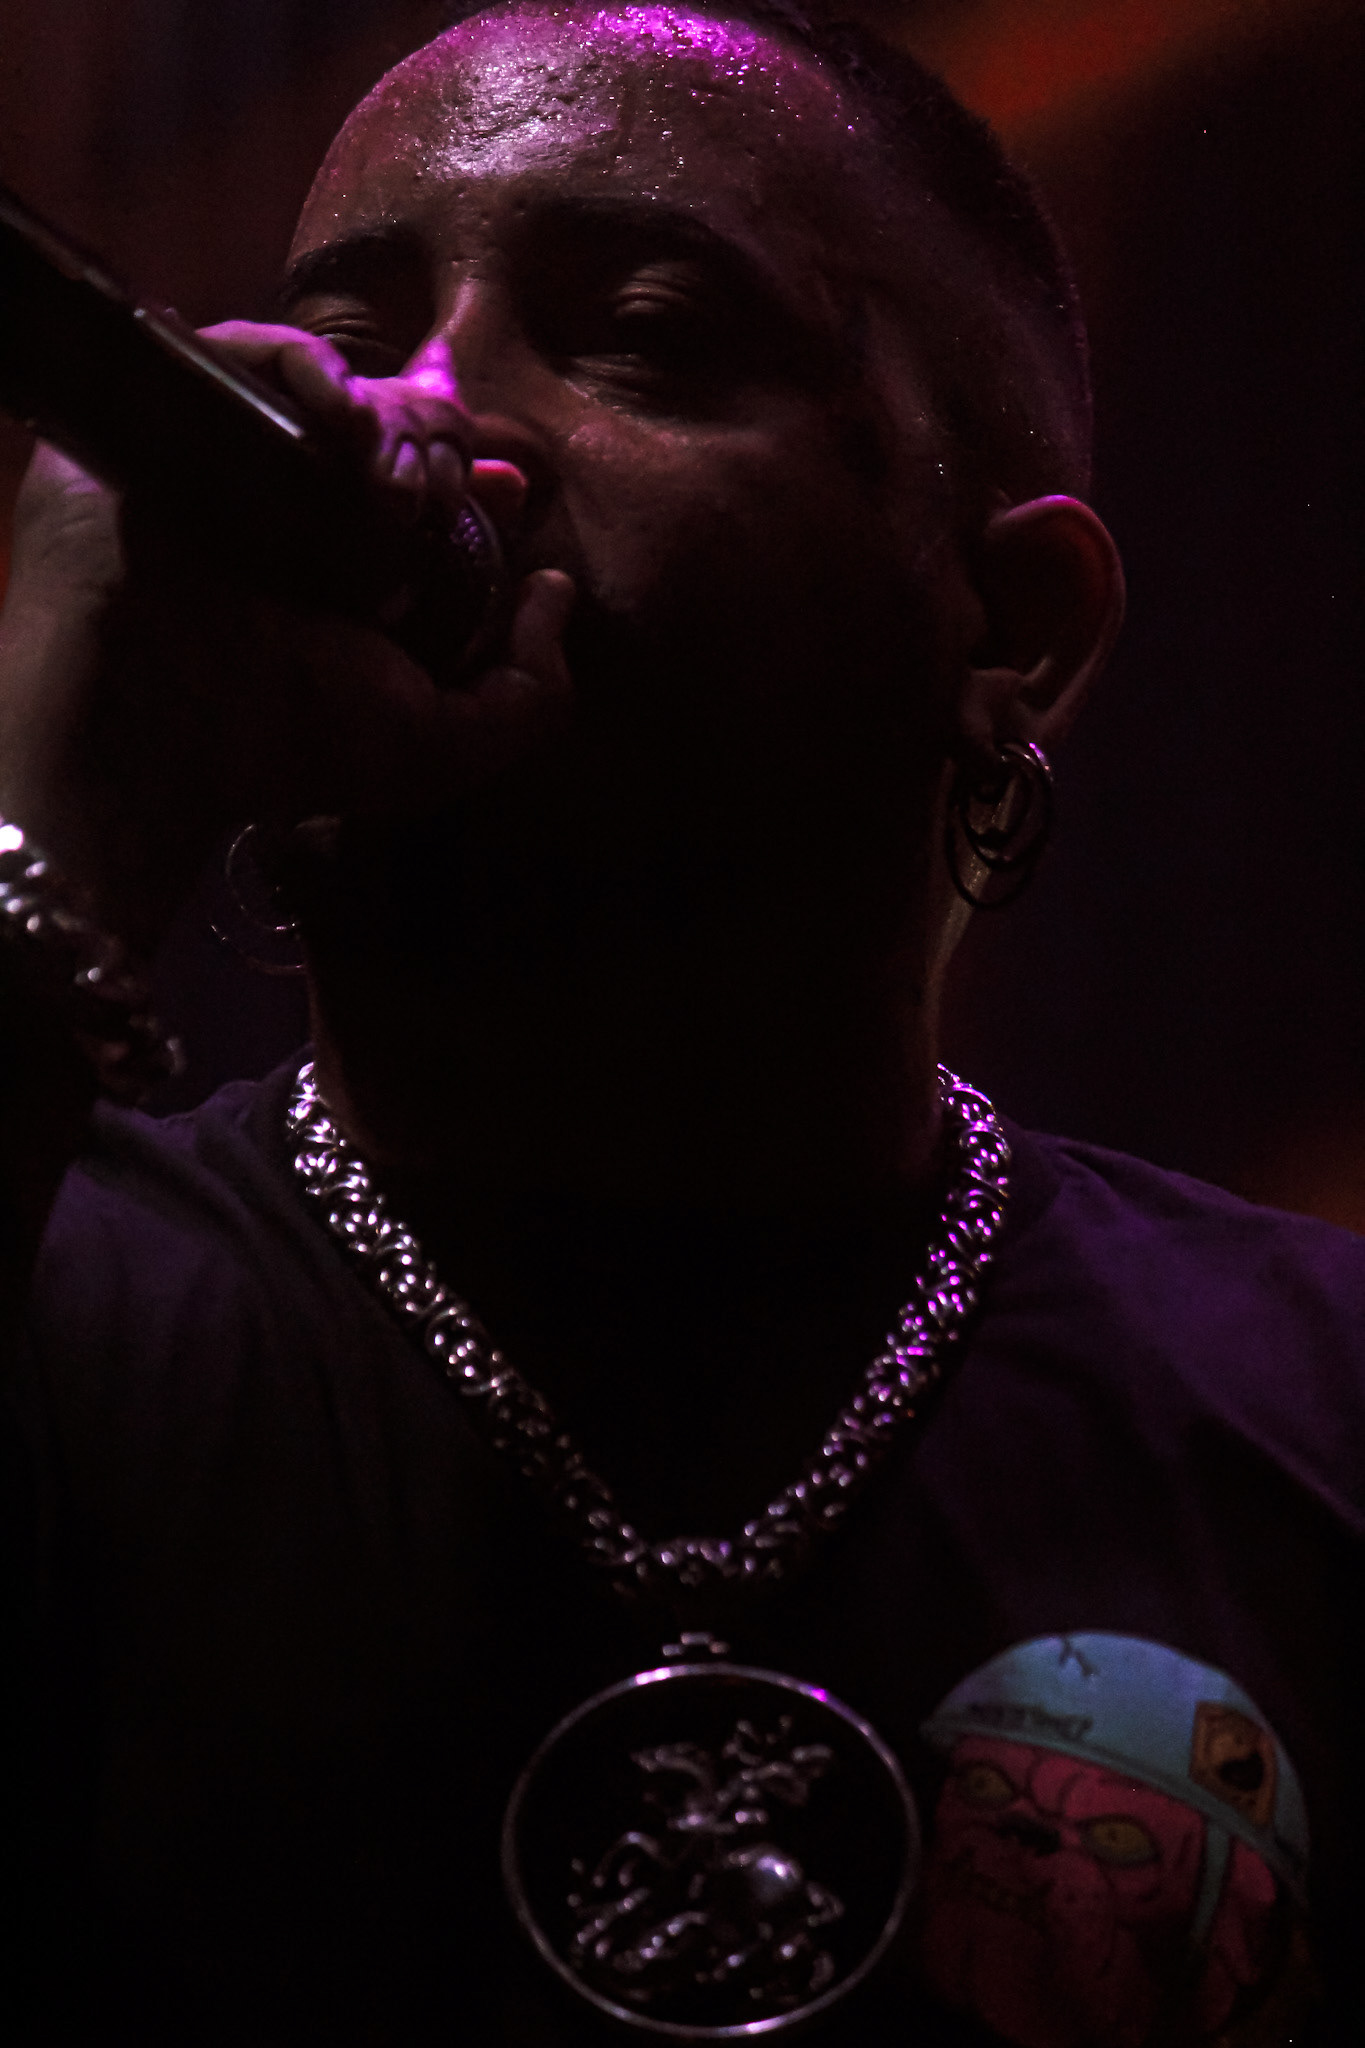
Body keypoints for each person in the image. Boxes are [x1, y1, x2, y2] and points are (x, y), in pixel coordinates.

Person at [0, 3, 1360, 2041]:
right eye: (350, 335)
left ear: (1013, 626)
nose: (428, 412)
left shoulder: (1313, 1414)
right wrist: (59, 807)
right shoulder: (52, 1281)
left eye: (638, 330)